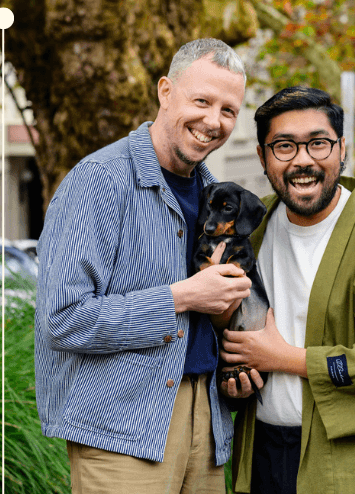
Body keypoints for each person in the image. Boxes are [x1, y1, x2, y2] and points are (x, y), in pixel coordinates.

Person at [34, 38, 252, 493]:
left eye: (228, 110)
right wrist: (182, 297)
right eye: (202, 101)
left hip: (207, 423)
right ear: (165, 91)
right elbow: (63, 320)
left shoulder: (215, 195)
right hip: (121, 429)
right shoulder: (99, 180)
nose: (214, 121)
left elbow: (205, 321)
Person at [216, 86, 355, 494]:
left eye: (318, 143)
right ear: (262, 157)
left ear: (341, 149)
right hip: (261, 454)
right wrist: (236, 379)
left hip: (348, 467)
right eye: (284, 146)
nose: (303, 160)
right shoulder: (250, 233)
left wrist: (285, 358)